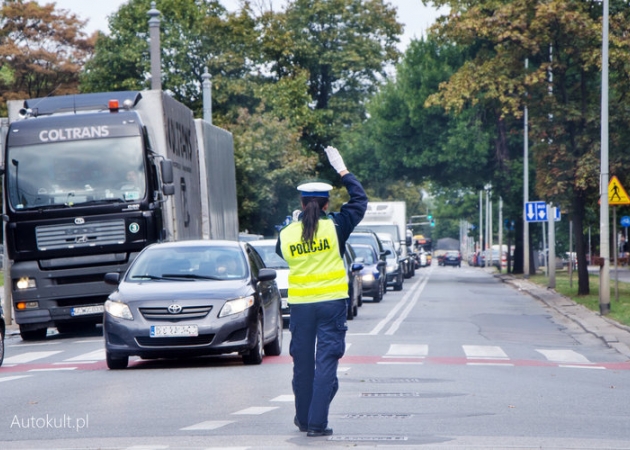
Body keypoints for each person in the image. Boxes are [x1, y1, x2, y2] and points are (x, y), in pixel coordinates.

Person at [276, 146, 367, 437]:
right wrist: (342, 170)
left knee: (302, 365)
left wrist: (295, 224)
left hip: (301, 306)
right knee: (326, 361)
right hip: (332, 304)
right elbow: (360, 200)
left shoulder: (287, 233)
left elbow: (283, 253)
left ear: (301, 204)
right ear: (326, 204)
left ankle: (303, 419)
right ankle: (316, 423)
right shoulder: (337, 226)